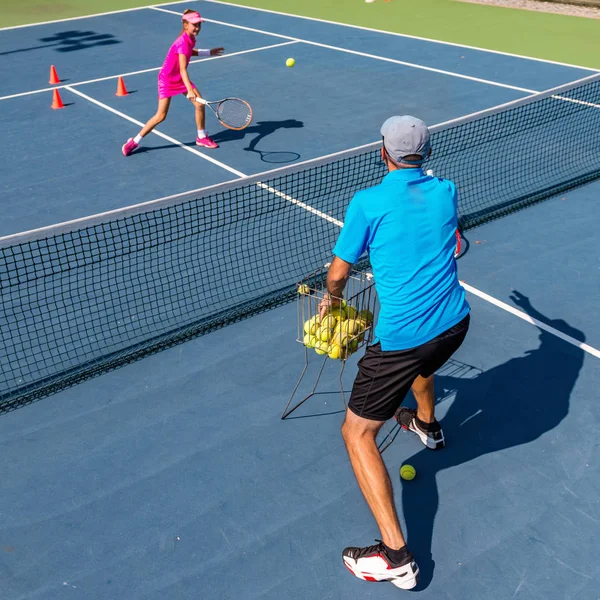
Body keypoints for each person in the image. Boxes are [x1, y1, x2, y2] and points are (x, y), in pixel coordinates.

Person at [324, 115, 470, 590]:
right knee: (423, 363)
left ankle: (396, 556)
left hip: (404, 338)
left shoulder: (367, 203)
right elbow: (452, 241)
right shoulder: (445, 190)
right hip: (454, 324)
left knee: (356, 433)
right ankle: (428, 427)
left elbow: (339, 272)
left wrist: (335, 299)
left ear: (381, 151)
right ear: (424, 152)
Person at [122, 9, 224, 156]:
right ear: (185, 24)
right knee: (161, 116)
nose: (197, 27)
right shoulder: (182, 42)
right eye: (194, 24)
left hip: (179, 79)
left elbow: (190, 52)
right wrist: (189, 89)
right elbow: (183, 69)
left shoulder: (189, 39)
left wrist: (209, 52)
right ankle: (134, 142)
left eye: (199, 25)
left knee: (199, 104)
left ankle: (201, 137)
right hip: (168, 80)